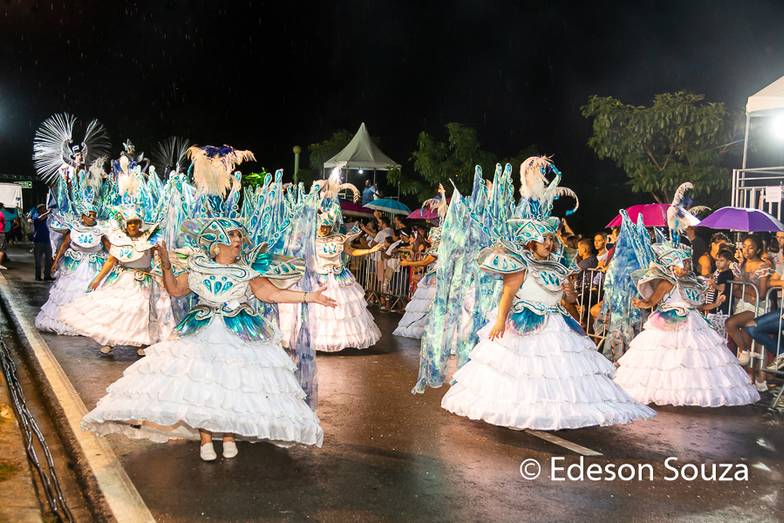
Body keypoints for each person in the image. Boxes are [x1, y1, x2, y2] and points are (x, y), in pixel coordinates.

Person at [82, 219, 332, 461]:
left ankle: (228, 436)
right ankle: (205, 439)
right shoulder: (197, 266)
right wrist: (167, 267)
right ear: (217, 241)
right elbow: (176, 290)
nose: (237, 240)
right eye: (232, 235)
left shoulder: (247, 270)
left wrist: (310, 296)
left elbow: (271, 294)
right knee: (204, 385)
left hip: (239, 330)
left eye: (238, 236)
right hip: (201, 330)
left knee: (232, 383)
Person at [440, 156, 655, 430]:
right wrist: (499, 321)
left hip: (556, 324)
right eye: (545, 239)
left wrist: (569, 294)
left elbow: (568, 301)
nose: (550, 243)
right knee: (526, 372)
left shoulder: (557, 265)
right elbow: (507, 293)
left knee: (558, 373)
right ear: (531, 242)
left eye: (552, 239)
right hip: (524, 323)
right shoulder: (520, 263)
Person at [614, 184, 760, 407]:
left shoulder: (689, 280)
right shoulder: (667, 281)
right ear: (670, 264)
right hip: (668, 323)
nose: (683, 266)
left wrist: (716, 303)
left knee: (694, 361)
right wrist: (641, 301)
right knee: (668, 361)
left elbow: (698, 305)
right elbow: (651, 302)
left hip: (692, 324)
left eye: (685, 262)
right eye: (679, 262)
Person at [59, 209, 175, 357]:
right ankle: (109, 341)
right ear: (125, 225)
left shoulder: (149, 241)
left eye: (135, 222)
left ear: (140, 224)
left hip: (144, 280)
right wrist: (97, 279)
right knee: (116, 310)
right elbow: (110, 261)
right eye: (130, 223)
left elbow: (157, 260)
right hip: (124, 279)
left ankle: (143, 342)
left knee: (141, 312)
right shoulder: (119, 240)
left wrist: (161, 274)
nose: (132, 225)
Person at [35, 207, 106, 334]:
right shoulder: (74, 228)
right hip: (74, 267)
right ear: (83, 216)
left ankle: (88, 323)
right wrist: (56, 261)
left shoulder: (101, 230)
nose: (92, 218)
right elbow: (64, 245)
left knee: (90, 293)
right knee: (69, 294)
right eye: (89, 215)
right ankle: (70, 321)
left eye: (94, 215)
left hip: (94, 267)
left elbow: (110, 249)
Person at [724, 235, 771, 392]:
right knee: (745, 335)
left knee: (730, 323)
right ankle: (749, 373)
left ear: (757, 248)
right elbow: (736, 291)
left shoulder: (763, 265)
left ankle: (745, 353)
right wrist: (749, 292)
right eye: (744, 246)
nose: (746, 250)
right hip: (743, 305)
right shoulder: (740, 265)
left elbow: (762, 294)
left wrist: (749, 291)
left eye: (750, 247)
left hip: (758, 307)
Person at [32, 204, 52, 279]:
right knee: (38, 261)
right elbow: (39, 219)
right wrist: (48, 213)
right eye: (43, 209)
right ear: (39, 210)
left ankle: (47, 276)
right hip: (38, 241)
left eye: (45, 209)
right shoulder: (35, 216)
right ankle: (38, 276)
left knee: (48, 260)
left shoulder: (48, 218)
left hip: (48, 241)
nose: (45, 210)